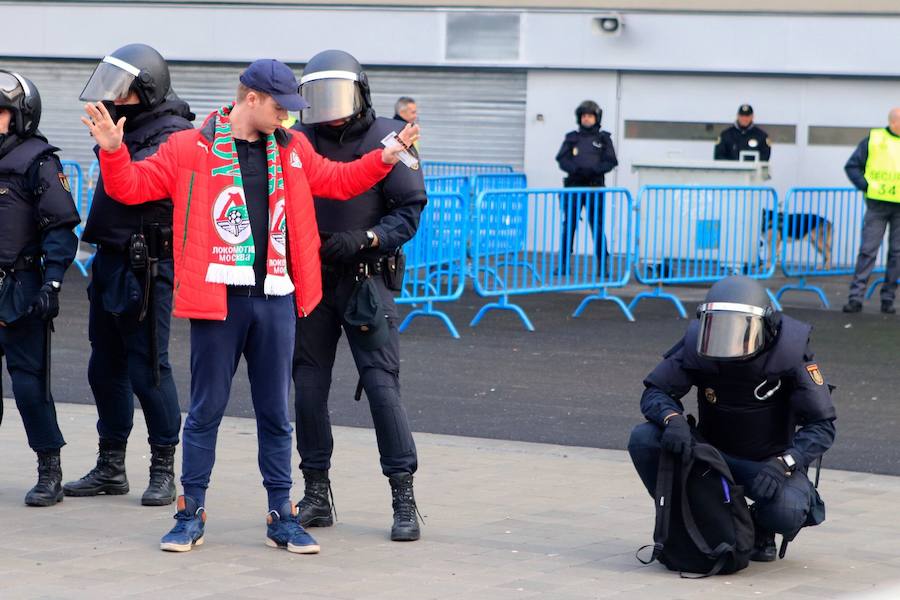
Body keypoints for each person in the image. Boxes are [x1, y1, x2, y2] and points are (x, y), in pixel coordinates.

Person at [81, 58, 419, 554]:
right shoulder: (189, 147)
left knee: (275, 416)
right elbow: (130, 188)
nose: (289, 117)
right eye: (282, 107)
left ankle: (281, 516)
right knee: (205, 412)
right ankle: (189, 513)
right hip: (219, 301)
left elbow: (341, 181)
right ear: (252, 99)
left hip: (276, 298)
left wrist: (385, 157)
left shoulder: (292, 147)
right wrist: (113, 152)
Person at [291, 50, 427, 542]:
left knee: (381, 385)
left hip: (366, 278)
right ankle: (315, 493)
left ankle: (403, 495)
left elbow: (408, 211)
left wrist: (367, 239)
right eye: (319, 96)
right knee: (307, 387)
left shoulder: (391, 136)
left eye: (339, 95)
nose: (331, 107)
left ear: (361, 92)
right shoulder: (298, 138)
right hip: (312, 277)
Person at [63, 44, 195, 507]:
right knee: (105, 366)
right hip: (111, 260)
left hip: (149, 265)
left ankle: (164, 467)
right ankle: (111, 465)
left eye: (125, 91)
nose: (115, 98)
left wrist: (114, 150)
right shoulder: (125, 124)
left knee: (149, 369)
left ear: (149, 90)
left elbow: (139, 189)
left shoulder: (174, 134)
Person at [627, 276, 836, 562]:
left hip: (767, 464)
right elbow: (655, 391)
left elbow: (822, 426)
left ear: (766, 327)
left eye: (738, 330)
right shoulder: (698, 346)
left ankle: (758, 528)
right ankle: (689, 514)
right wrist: (672, 418)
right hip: (711, 456)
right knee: (644, 439)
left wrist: (786, 462)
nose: (726, 341)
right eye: (718, 328)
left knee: (789, 509)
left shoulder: (790, 353)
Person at [0, 70, 80, 506]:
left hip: (21, 288)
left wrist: (51, 283)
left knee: (29, 385)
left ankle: (49, 469)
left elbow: (61, 227)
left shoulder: (38, 161)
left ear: (20, 116)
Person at [842, 107, 900, 315]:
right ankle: (855, 298)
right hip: (877, 204)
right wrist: (866, 186)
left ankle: (888, 299)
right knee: (868, 250)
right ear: (894, 123)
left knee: (897, 254)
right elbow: (852, 166)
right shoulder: (874, 140)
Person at [554, 100, 617, 276]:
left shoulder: (603, 138)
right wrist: (577, 170)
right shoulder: (572, 137)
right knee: (569, 226)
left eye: (590, 116)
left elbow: (611, 161)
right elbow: (562, 159)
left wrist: (593, 171)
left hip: (594, 188)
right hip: (574, 188)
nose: (586, 119)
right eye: (584, 116)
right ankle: (564, 265)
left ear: (596, 118)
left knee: (596, 227)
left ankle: (602, 267)